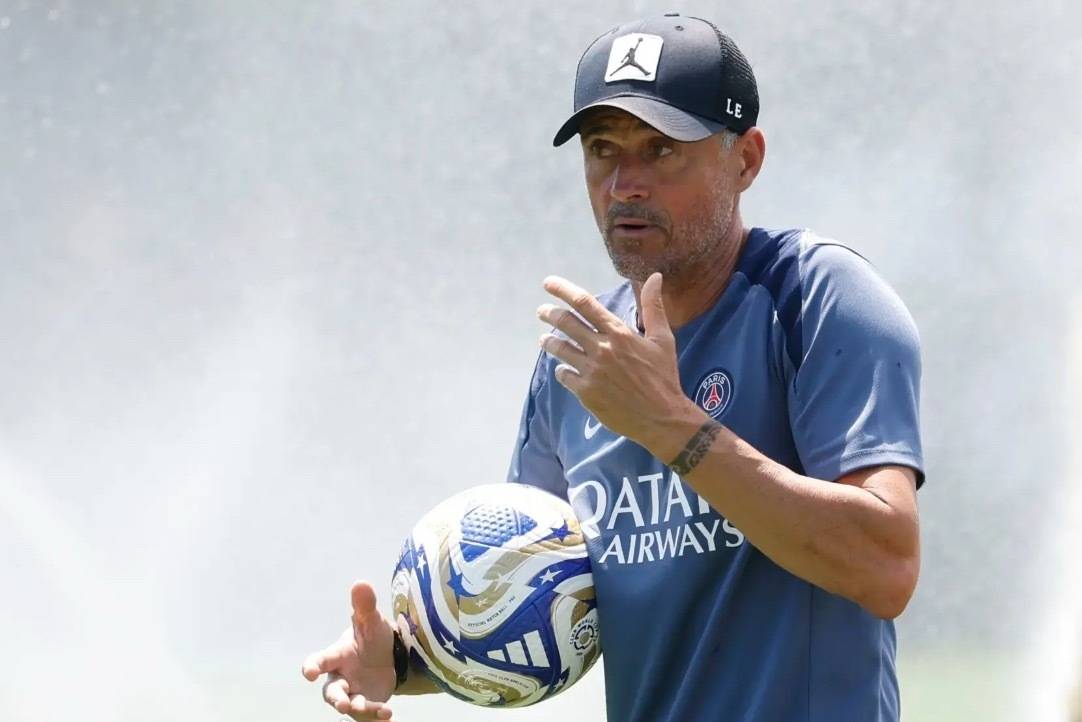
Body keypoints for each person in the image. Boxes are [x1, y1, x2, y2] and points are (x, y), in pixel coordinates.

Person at [302, 13, 924, 722]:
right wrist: (407, 661)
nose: (626, 183)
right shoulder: (581, 357)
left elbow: (887, 566)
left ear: (745, 160)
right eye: (603, 149)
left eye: (662, 149)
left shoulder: (816, 297)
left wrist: (672, 427)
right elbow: (538, 598)